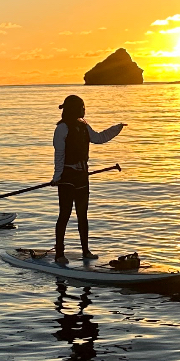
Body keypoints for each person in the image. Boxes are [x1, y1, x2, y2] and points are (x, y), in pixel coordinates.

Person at [52, 95, 124, 263]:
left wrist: (116, 129)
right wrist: (57, 177)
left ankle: (86, 251)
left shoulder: (84, 126)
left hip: (82, 176)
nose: (84, 109)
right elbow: (59, 154)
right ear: (75, 108)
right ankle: (59, 254)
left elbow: (98, 138)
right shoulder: (62, 128)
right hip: (67, 176)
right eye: (82, 107)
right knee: (65, 214)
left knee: (82, 215)